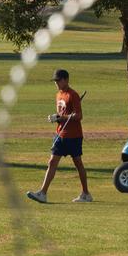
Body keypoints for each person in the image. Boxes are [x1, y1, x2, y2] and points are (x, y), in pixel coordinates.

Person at [26, 68, 91, 204]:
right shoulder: (58, 95)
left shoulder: (73, 95)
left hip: (73, 135)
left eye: (58, 81)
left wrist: (60, 117)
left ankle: (86, 193)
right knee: (52, 162)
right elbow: (62, 114)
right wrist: (57, 118)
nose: (56, 83)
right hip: (60, 134)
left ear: (66, 80)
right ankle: (43, 193)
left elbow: (79, 116)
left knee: (78, 163)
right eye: (55, 81)